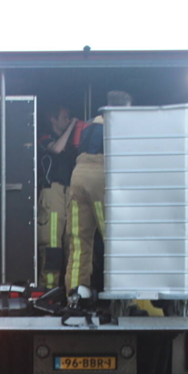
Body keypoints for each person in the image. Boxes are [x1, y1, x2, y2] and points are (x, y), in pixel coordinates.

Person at [66, 91, 132, 308]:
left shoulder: (88, 126)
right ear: (123, 109)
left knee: (79, 241)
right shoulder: (118, 125)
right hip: (100, 177)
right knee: (113, 239)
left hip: (78, 177)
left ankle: (75, 294)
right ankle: (122, 295)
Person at [37, 105, 84, 290]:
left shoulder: (71, 145)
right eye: (65, 117)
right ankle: (48, 288)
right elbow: (56, 149)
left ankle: (68, 289)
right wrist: (72, 126)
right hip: (52, 192)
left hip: (70, 192)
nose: (69, 120)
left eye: (69, 117)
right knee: (52, 243)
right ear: (53, 119)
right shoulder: (45, 137)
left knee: (71, 243)